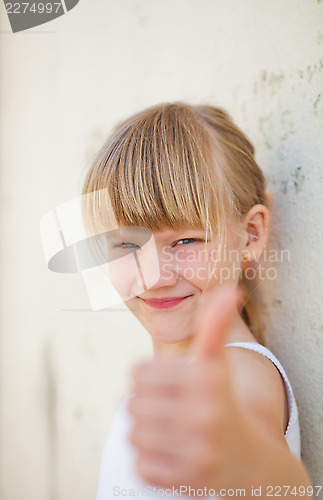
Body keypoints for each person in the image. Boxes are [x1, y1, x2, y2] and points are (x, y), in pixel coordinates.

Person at [82, 102, 313, 498]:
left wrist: (250, 463)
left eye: (186, 240)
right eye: (126, 244)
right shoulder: (168, 388)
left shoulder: (239, 372)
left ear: (252, 235)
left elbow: (277, 480)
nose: (153, 278)